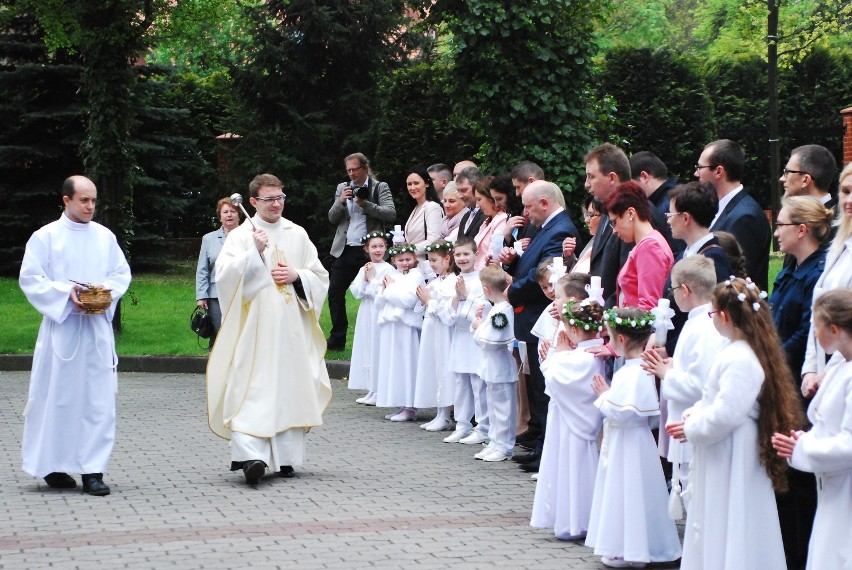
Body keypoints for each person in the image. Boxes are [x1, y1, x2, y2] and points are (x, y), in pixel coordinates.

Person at [667, 277, 803, 570]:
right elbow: (712, 399)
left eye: (713, 313)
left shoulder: (741, 359)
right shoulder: (735, 351)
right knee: (720, 518)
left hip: (732, 451)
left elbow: (726, 413)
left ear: (725, 317)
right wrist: (694, 414)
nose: (712, 319)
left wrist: (692, 426)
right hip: (724, 449)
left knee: (732, 518)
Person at [208, 173, 332, 484]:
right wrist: (254, 253)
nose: (276, 204)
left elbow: (319, 275)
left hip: (291, 327)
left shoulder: (297, 233)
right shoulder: (241, 236)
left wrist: (297, 275)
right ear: (252, 202)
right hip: (255, 327)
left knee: (290, 387)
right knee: (251, 387)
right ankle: (251, 456)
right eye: (269, 199)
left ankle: (286, 459)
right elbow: (223, 277)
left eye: (280, 197)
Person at [18, 175, 132, 496]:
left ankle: (92, 470)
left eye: (93, 200)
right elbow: (31, 278)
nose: (90, 206)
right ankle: (53, 466)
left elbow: (120, 273)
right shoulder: (46, 237)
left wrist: (103, 294)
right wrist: (64, 293)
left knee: (97, 401)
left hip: (95, 330)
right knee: (58, 398)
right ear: (66, 200)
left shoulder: (104, 236)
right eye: (84, 200)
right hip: (63, 330)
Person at [586, 307, 682, 568]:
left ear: (622, 340)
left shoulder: (634, 371)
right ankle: (624, 546)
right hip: (627, 441)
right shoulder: (634, 369)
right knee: (626, 490)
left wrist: (604, 395)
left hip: (630, 441)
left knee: (631, 491)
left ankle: (635, 550)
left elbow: (626, 412)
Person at [769, 197, 831, 570]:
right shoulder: (791, 267)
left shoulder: (817, 273)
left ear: (801, 230)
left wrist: (773, 362)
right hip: (781, 380)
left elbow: (808, 330)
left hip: (797, 382)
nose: (776, 231)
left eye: (782, 224)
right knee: (784, 476)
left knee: (799, 478)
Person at [499, 181, 580, 458]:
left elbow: (543, 275)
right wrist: (511, 262)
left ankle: (544, 446)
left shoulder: (561, 230)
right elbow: (529, 266)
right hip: (529, 315)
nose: (525, 212)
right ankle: (537, 437)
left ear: (544, 203)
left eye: (528, 206)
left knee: (541, 385)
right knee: (533, 380)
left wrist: (512, 291)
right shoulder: (546, 228)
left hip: (538, 312)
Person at [772, 289, 852, 570]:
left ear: (834, 328)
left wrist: (803, 448)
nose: (815, 335)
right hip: (832, 485)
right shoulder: (841, 364)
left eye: (816, 327)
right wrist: (806, 439)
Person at [642, 256, 727, 513]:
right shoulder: (699, 322)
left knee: (696, 494)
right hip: (688, 424)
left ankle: (698, 551)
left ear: (686, 290)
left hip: (694, 424)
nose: (673, 295)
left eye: (674, 289)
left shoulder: (703, 327)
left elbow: (702, 384)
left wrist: (666, 373)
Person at [530, 299, 605, 540]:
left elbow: (554, 379)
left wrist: (558, 354)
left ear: (573, 330)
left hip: (571, 423)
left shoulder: (580, 357)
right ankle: (575, 518)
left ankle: (574, 521)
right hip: (577, 419)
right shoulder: (592, 353)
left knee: (571, 467)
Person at [327, 153, 396, 350]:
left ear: (365, 168)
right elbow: (332, 219)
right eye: (348, 170)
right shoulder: (343, 187)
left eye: (354, 169)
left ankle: (380, 335)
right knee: (335, 291)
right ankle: (337, 338)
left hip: (371, 250)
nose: (351, 174)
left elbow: (390, 213)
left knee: (379, 292)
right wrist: (340, 201)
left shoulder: (379, 187)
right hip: (346, 249)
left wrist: (365, 204)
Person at [802, 163, 852, 398]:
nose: (848, 200)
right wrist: (810, 370)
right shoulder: (839, 246)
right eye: (845, 191)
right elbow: (818, 312)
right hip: (825, 370)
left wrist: (829, 375)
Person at [695, 139, 772, 289]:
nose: (696, 173)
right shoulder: (724, 208)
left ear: (718, 171)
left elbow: (736, 277)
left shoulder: (745, 217)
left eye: (700, 167)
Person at [443, 237, 490, 445]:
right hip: (459, 337)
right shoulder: (452, 280)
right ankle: (462, 424)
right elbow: (447, 316)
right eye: (458, 254)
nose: (462, 258)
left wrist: (466, 295)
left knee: (478, 384)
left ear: (475, 255)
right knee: (460, 382)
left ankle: (483, 426)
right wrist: (456, 298)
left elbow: (482, 311)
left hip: (475, 338)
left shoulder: (482, 280)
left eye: (466, 254)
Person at [471, 265, 518, 462]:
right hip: (491, 366)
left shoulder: (503, 311)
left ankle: (505, 445)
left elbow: (494, 339)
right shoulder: (496, 309)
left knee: (503, 408)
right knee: (493, 405)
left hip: (501, 366)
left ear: (486, 289)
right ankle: (495, 441)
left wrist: (477, 327)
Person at [374, 244, 424, 422]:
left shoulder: (416, 276)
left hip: (406, 326)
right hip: (391, 324)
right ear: (393, 260)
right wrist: (385, 290)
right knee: (394, 363)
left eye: (408, 259)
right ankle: (400, 403)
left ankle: (410, 405)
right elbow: (379, 301)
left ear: (414, 259)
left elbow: (408, 300)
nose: (405, 263)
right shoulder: (391, 276)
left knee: (407, 363)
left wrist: (389, 290)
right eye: (400, 260)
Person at [606, 181, 674, 310]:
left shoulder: (650, 246)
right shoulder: (648, 243)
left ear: (630, 213)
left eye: (614, 222)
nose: (614, 231)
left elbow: (648, 306)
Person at [414, 241, 457, 431]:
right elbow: (422, 306)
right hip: (432, 329)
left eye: (434, 260)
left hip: (444, 332)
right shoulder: (436, 281)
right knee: (434, 366)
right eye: (430, 261)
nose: (431, 265)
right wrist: (423, 299)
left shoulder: (453, 281)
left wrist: (429, 301)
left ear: (447, 259)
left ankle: (447, 413)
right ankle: (440, 412)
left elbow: (446, 311)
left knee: (444, 367)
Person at [584, 143, 634, 307]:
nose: (586, 184)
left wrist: (602, 317)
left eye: (591, 177)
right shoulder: (607, 209)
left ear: (612, 178)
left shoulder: (635, 213)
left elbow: (629, 281)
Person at [347, 232, 393, 406]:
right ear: (367, 249)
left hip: (379, 310)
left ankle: (379, 388)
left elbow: (383, 291)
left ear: (386, 247)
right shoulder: (364, 268)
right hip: (366, 310)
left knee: (377, 345)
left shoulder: (389, 269)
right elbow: (356, 291)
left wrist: (371, 282)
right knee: (367, 345)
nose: (378, 250)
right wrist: (366, 280)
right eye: (374, 246)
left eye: (381, 246)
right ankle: (371, 388)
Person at [196, 197, 240, 349]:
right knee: (220, 332)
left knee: (241, 332)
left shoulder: (248, 236)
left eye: (233, 211)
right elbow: (202, 269)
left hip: (242, 292)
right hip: (216, 295)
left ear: (238, 214)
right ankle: (219, 367)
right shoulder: (209, 239)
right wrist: (201, 295)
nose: (229, 215)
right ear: (219, 216)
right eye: (225, 212)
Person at [630, 150, 684, 257]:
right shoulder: (674, 198)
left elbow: (678, 250)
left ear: (644, 176)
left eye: (632, 185)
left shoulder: (669, 205)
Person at [402, 166, 444, 264]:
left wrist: (408, 251)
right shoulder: (415, 207)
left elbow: (433, 241)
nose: (412, 187)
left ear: (427, 183)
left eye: (416, 183)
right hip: (412, 264)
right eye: (409, 184)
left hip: (427, 266)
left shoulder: (432, 207)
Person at [473, 176, 509, 270]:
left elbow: (493, 253)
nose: (477, 205)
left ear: (490, 198)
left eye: (479, 199)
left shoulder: (502, 219)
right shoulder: (487, 221)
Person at [568, 196, 603, 275]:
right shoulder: (594, 240)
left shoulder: (608, 244)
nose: (586, 220)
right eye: (587, 215)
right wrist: (568, 256)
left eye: (591, 215)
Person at [455, 166, 486, 239]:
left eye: (464, 190)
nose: (460, 196)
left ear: (477, 186)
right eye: (458, 191)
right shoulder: (465, 216)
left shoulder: (487, 215)